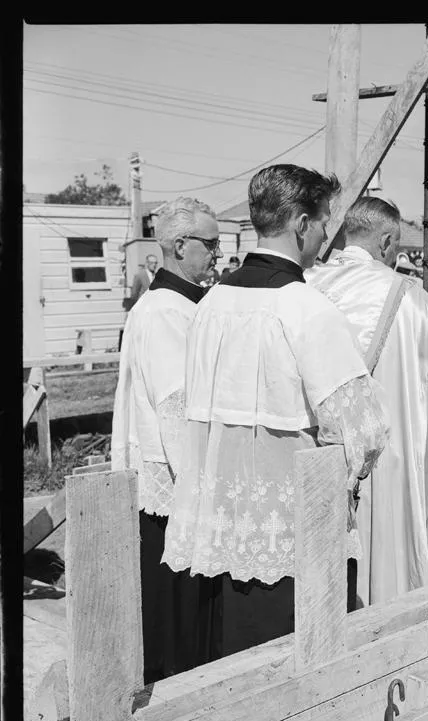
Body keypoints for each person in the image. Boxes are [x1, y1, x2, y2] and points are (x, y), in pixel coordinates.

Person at [162, 165, 389, 656]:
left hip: (221, 528)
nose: (327, 234)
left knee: (232, 665)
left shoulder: (209, 304)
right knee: (298, 671)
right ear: (301, 224)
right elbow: (363, 432)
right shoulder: (306, 307)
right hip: (292, 536)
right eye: (325, 221)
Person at [307, 196, 428, 604]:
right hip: (381, 461)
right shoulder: (407, 297)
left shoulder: (308, 284)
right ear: (387, 241)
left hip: (316, 456)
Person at [111, 197, 221, 683]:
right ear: (180, 245)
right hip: (175, 489)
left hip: (187, 486)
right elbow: (176, 408)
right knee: (174, 617)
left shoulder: (186, 303)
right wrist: (206, 483)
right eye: (210, 243)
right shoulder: (161, 312)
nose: (217, 253)